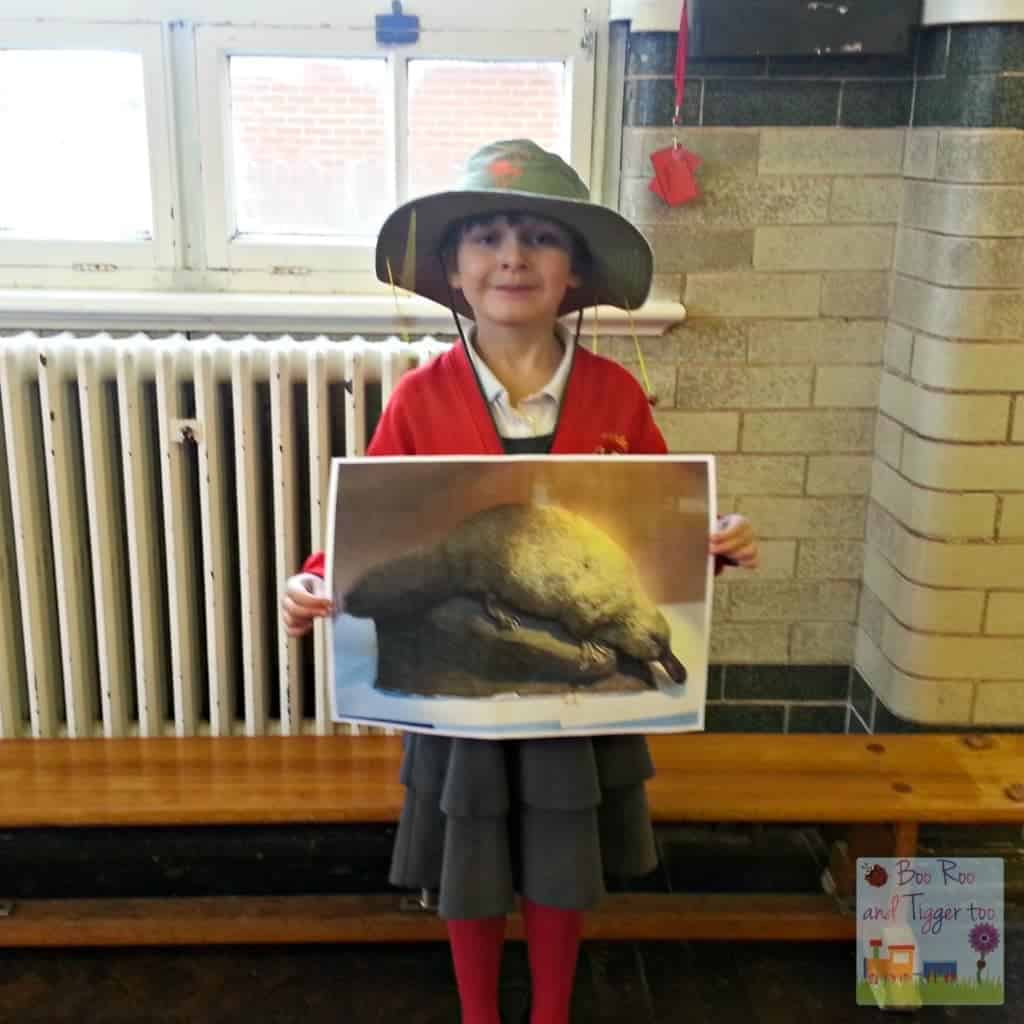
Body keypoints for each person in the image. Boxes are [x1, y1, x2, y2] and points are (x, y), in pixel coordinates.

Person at [281, 140, 759, 1024]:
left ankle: (549, 1013)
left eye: (538, 236)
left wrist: (715, 541)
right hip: (462, 677)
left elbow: (667, 519)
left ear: (572, 271)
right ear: (456, 272)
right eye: (489, 236)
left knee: (558, 850)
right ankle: (477, 1013)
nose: (512, 255)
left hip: (579, 697)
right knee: (472, 854)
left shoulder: (617, 395)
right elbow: (356, 527)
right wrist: (311, 582)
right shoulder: (419, 398)